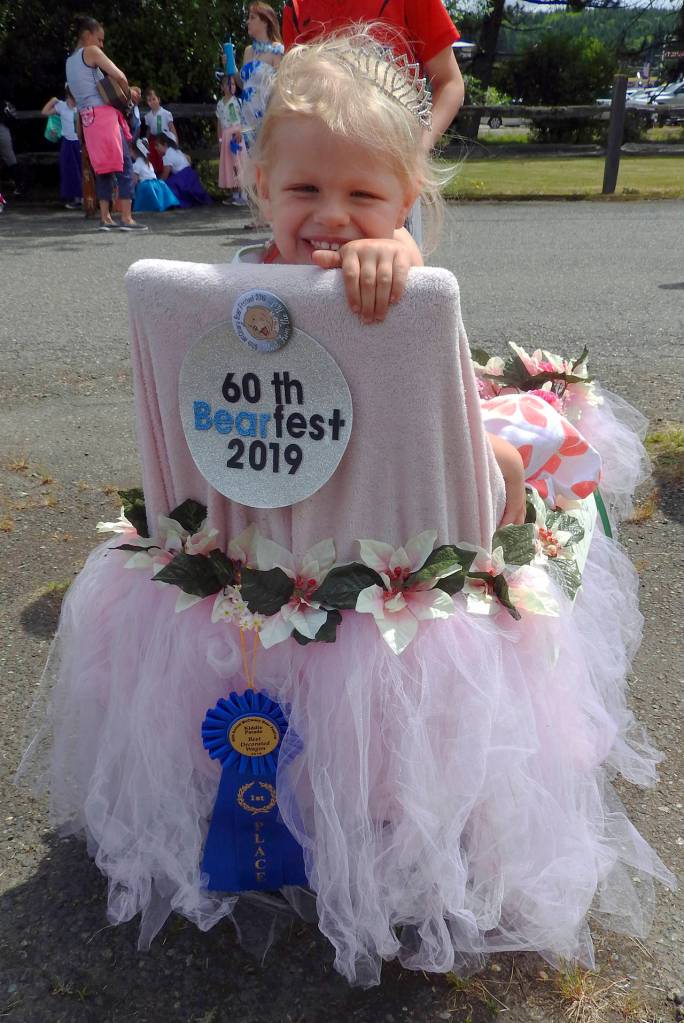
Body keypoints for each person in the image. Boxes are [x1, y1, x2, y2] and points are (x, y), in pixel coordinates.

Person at [17, 30, 673, 990]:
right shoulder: (225, 294)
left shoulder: (404, 286)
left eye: (364, 197)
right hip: (271, 533)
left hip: (396, 515)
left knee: (492, 456)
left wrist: (396, 259)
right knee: (486, 456)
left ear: (408, 202)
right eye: (304, 192)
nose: (331, 219)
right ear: (260, 190)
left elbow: (439, 439)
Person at [281, 0, 465, 153]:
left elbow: (450, 83)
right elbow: (292, 96)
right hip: (321, 160)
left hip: (393, 159)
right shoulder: (296, 7)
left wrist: (418, 152)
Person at [65, 16, 147, 231]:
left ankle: (105, 218)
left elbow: (75, 94)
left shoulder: (69, 62)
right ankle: (127, 218)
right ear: (87, 35)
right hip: (104, 116)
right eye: (99, 39)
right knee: (124, 165)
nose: (101, 44)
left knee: (102, 168)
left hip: (87, 118)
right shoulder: (90, 52)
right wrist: (128, 95)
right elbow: (119, 75)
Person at [230, 2, 284, 147]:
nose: (248, 21)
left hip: (266, 119)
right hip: (247, 121)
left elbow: (279, 89)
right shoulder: (248, 51)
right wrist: (230, 65)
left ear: (265, 21)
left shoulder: (276, 50)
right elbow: (244, 85)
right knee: (251, 167)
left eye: (252, 17)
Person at [41, 87, 83, 209]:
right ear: (68, 96)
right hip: (67, 142)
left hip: (79, 142)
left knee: (82, 169)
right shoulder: (61, 106)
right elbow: (44, 112)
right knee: (70, 170)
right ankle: (76, 198)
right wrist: (53, 100)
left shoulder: (81, 106)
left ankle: (85, 197)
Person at [157, 130, 212, 207]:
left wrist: (157, 182)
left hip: (183, 177)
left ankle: (175, 202)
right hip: (191, 174)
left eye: (157, 145)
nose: (156, 148)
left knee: (168, 184)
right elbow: (188, 159)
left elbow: (165, 175)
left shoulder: (167, 156)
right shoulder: (177, 151)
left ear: (165, 145)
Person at [216, 74, 246, 205]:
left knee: (238, 163)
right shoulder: (220, 104)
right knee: (230, 165)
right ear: (222, 87)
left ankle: (243, 194)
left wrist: (240, 131)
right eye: (228, 84)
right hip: (226, 135)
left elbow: (243, 117)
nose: (231, 86)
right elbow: (219, 122)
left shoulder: (237, 101)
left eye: (233, 84)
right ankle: (234, 193)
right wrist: (220, 139)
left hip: (236, 134)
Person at [131, 137, 180, 213]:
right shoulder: (149, 163)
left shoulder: (136, 164)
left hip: (146, 186)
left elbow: (135, 181)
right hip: (157, 184)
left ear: (134, 152)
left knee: (140, 187)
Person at [143, 87, 177, 176]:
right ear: (147, 103)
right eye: (149, 100)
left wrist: (175, 142)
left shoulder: (166, 113)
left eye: (154, 99)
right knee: (154, 160)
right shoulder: (148, 116)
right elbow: (149, 130)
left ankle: (166, 176)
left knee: (165, 159)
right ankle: (156, 176)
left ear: (158, 99)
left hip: (165, 140)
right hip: (154, 140)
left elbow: (172, 128)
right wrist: (146, 141)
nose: (152, 102)